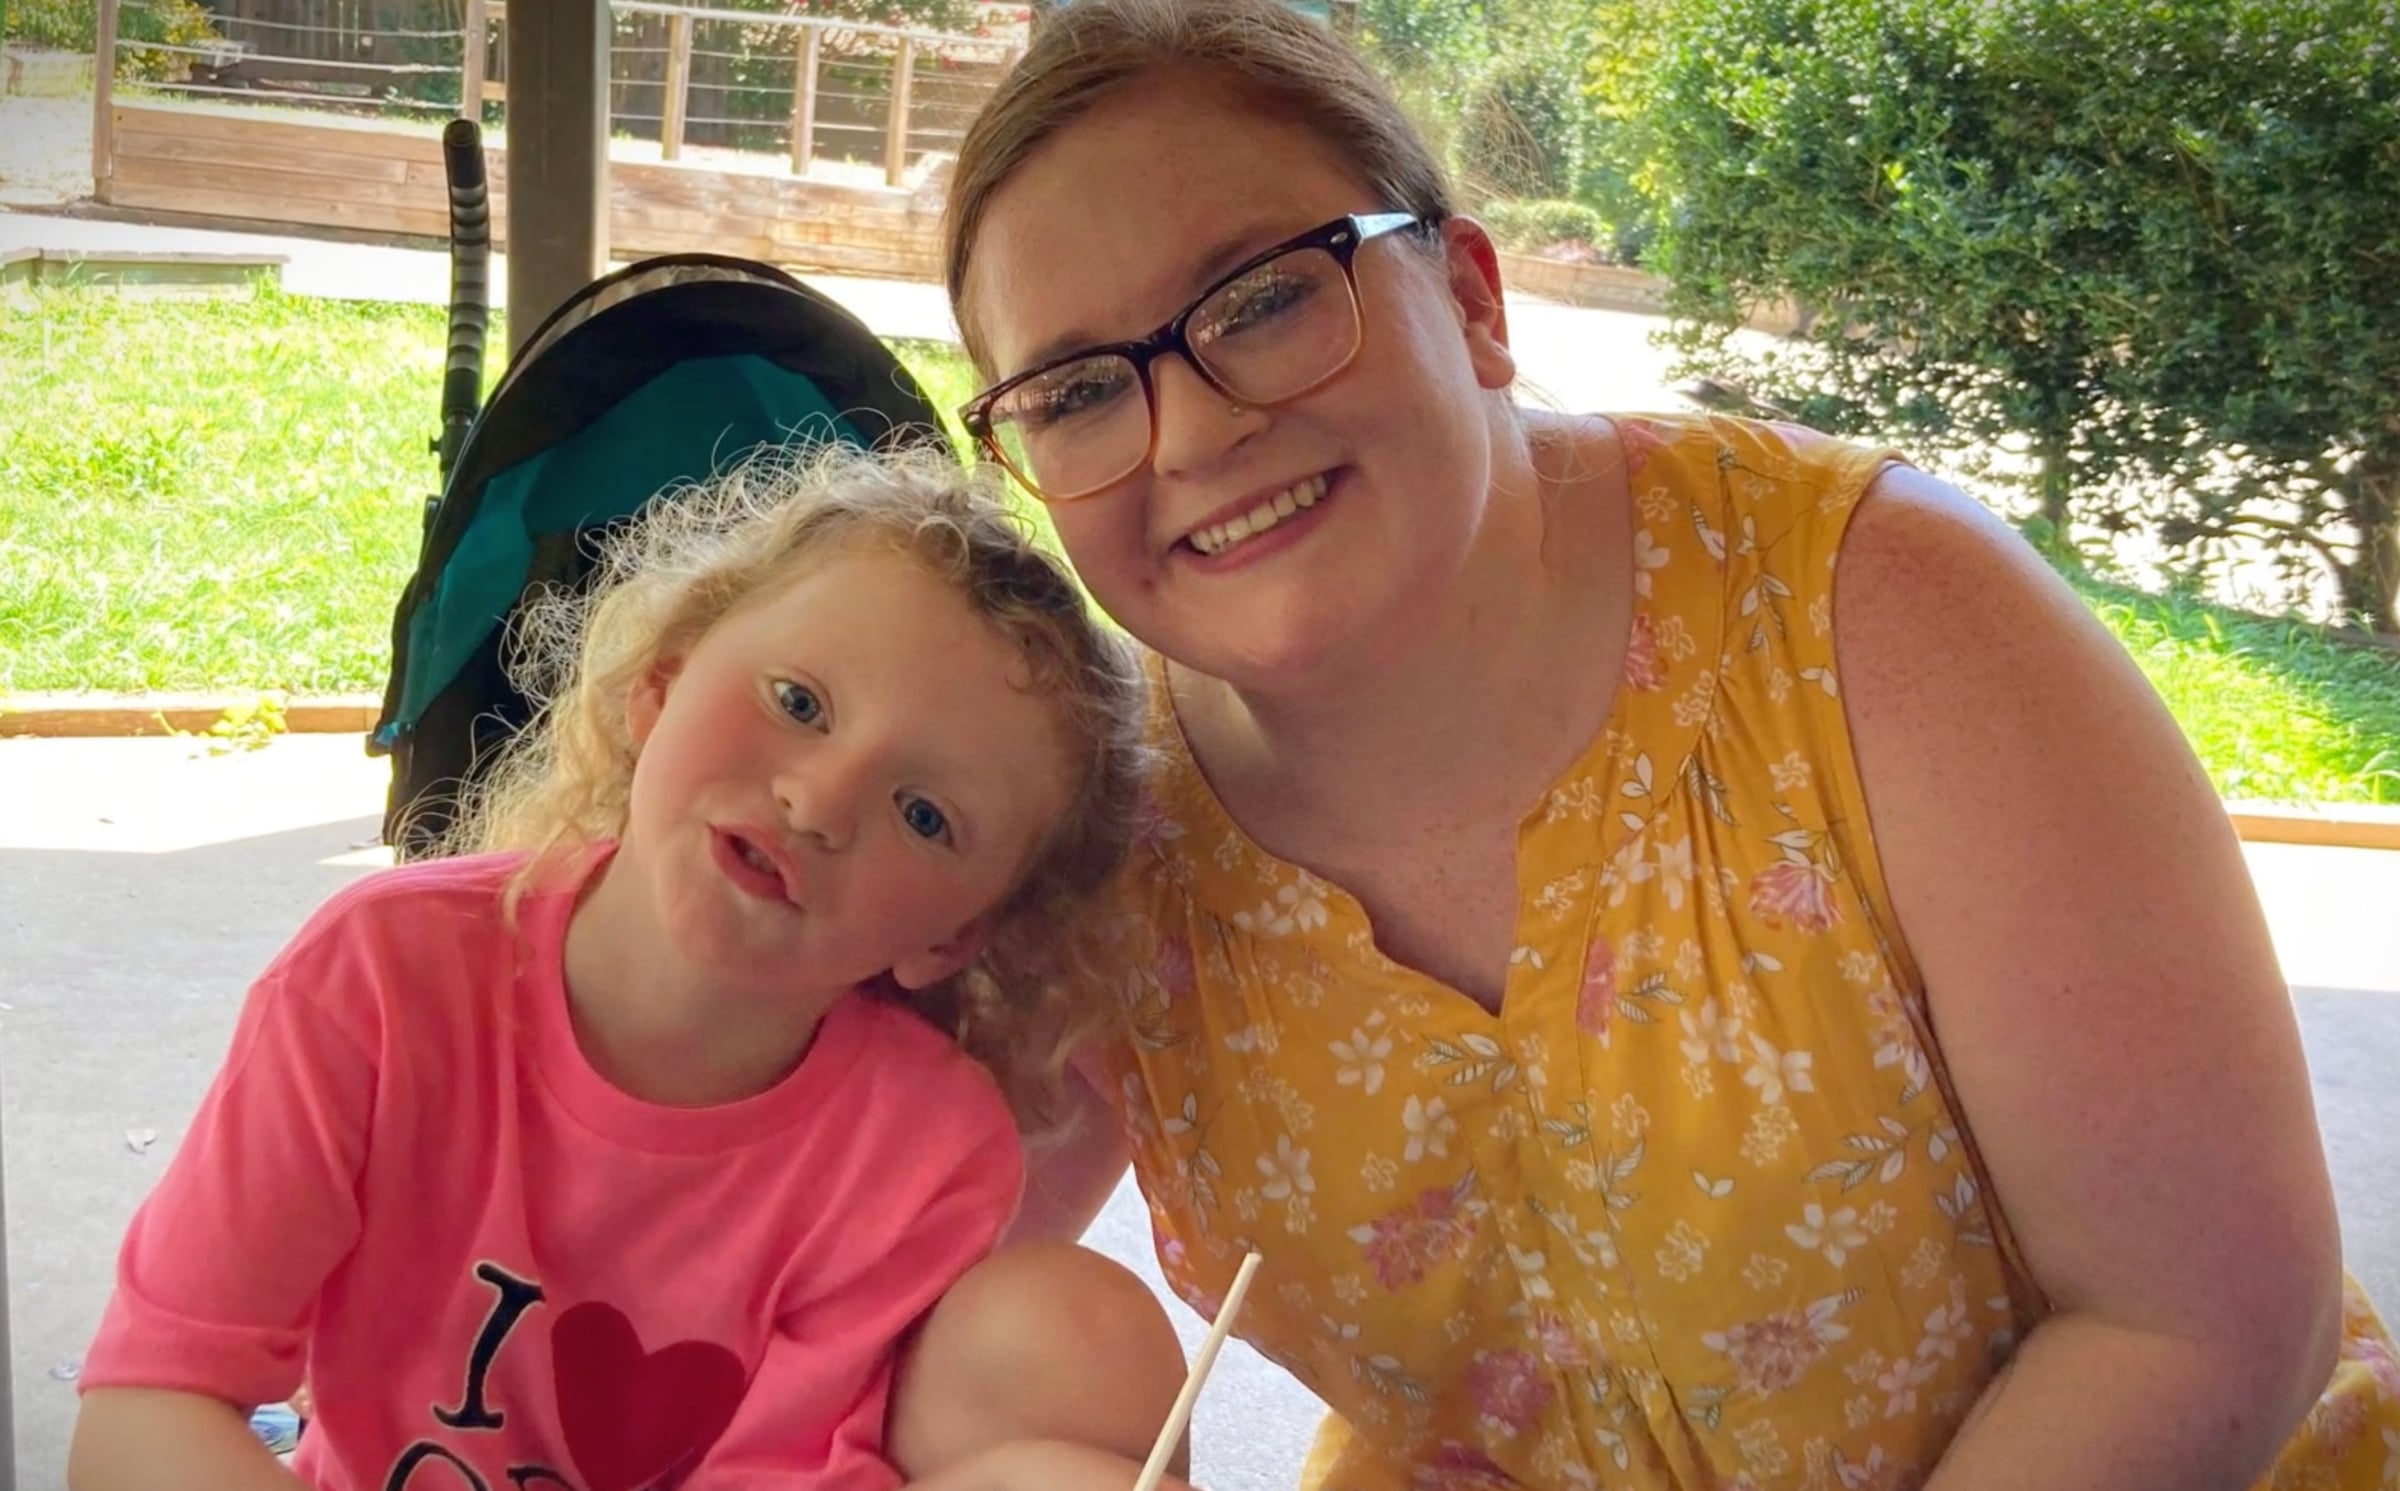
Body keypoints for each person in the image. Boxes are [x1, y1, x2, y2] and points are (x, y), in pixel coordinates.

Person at [934, 1, 2400, 1486]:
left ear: (1473, 300)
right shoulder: (1091, 829)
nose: (1189, 435)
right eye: (1075, 392)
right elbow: (885, 1269)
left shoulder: (1874, 612)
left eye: (1261, 301)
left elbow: (2197, 1320)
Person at [67, 447, 1194, 1491]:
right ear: (659, 686)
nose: (817, 801)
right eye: (798, 701)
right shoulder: (379, 976)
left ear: (950, 939)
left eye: (924, 813)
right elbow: (145, 1407)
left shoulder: (924, 1151)